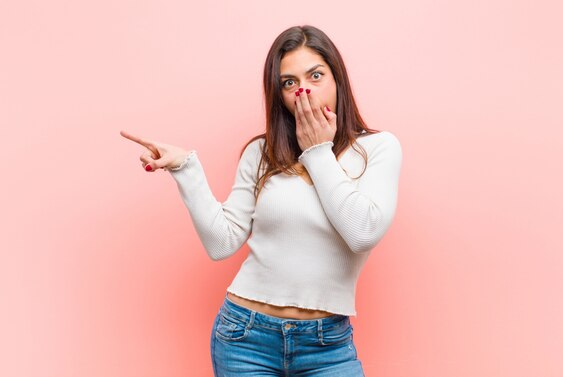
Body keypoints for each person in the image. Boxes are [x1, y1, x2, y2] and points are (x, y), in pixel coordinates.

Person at [120, 24, 402, 377]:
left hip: (327, 344)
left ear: (337, 79)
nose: (304, 92)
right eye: (289, 83)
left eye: (316, 75)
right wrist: (185, 169)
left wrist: (317, 150)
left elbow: (362, 232)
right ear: (280, 95)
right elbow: (223, 243)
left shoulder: (378, 149)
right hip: (245, 336)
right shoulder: (262, 152)